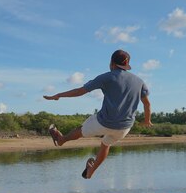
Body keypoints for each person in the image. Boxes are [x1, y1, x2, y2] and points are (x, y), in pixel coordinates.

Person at [43, 49, 152, 179]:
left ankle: (61, 140)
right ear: (127, 65)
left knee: (80, 130)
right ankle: (91, 171)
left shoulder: (106, 77)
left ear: (111, 63)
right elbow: (147, 104)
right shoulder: (139, 82)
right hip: (124, 128)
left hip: (104, 122)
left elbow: (80, 91)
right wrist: (147, 121)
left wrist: (59, 95)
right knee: (106, 144)